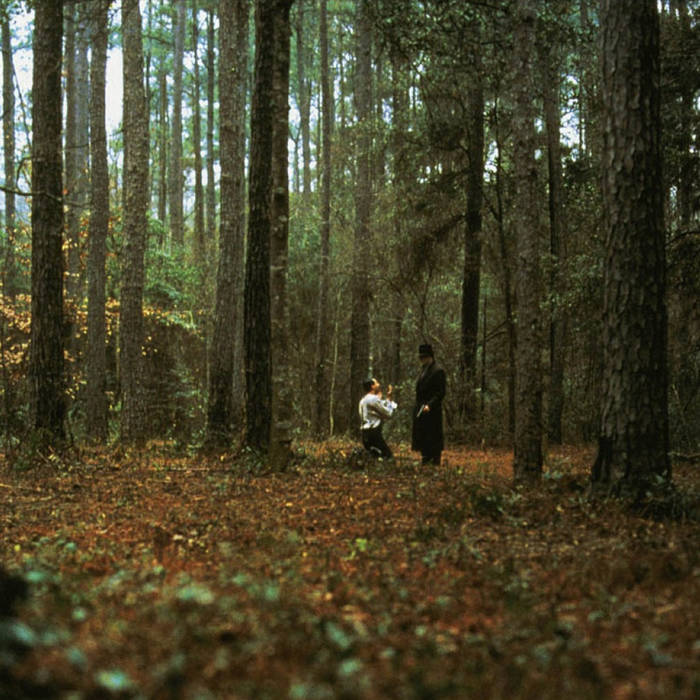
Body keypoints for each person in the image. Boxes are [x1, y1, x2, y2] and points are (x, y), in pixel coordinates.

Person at [411, 343, 446, 465]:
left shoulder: (438, 371)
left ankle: (435, 461)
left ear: (430, 356)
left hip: (432, 410)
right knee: (423, 436)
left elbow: (440, 392)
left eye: (424, 357)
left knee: (433, 437)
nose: (422, 359)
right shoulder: (424, 370)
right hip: (421, 407)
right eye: (421, 357)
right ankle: (425, 459)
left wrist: (430, 405)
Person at [358, 378, 397, 459]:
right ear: (372, 386)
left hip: (365, 432)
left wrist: (387, 397)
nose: (379, 384)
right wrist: (390, 403)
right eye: (377, 383)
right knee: (388, 457)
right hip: (373, 433)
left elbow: (379, 408)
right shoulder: (373, 399)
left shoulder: (363, 400)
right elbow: (388, 413)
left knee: (374, 457)